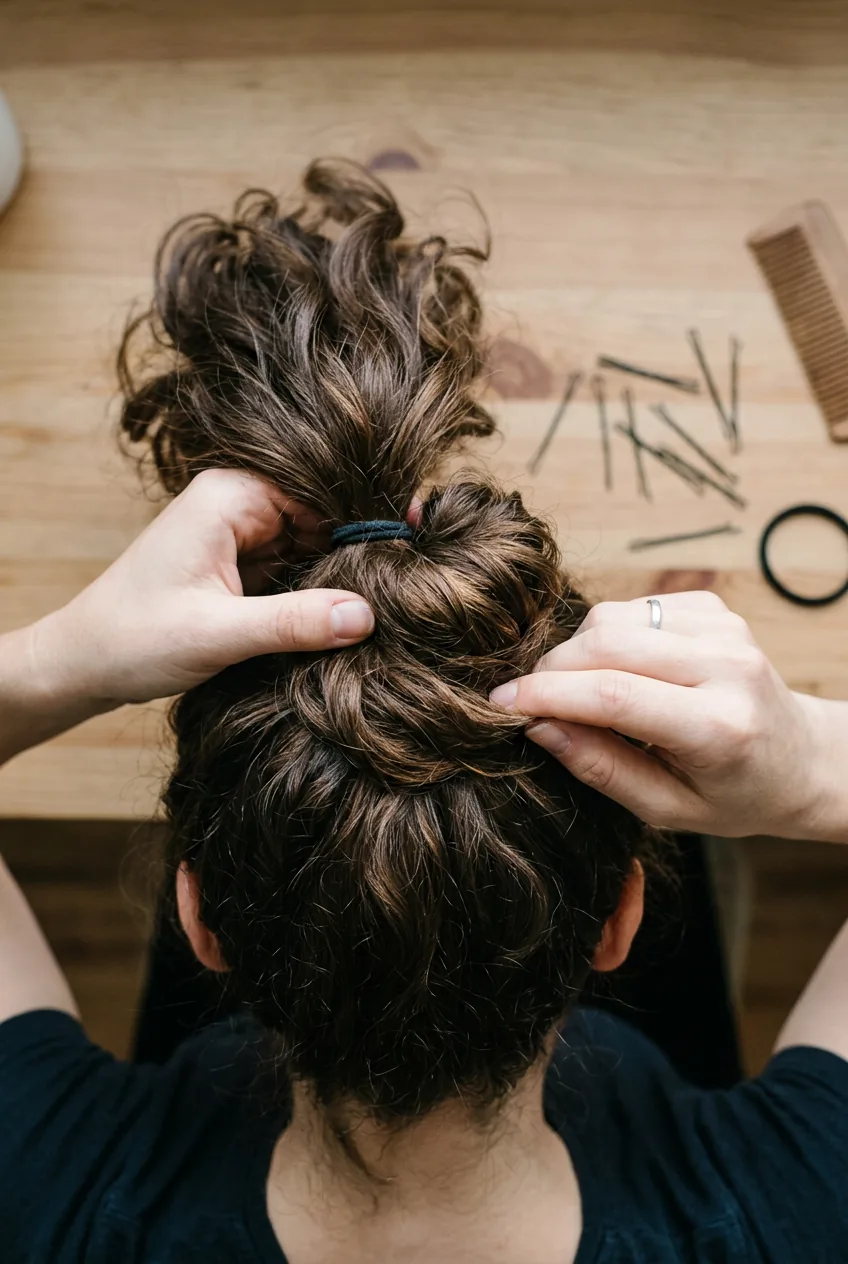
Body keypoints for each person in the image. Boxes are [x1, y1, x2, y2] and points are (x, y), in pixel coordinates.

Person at [0, 161, 846, 1264]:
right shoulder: (789, 1213)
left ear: (198, 917)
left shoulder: (54, 1196)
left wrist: (66, 656)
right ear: (619, 925)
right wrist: (810, 765)